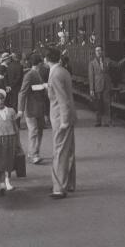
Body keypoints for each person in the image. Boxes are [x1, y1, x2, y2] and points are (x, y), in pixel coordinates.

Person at [45, 46, 76, 199]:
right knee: (68, 151)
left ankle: (58, 188)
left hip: (60, 117)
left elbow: (62, 99)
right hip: (67, 116)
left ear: (46, 60)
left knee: (60, 152)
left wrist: (64, 120)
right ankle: (69, 183)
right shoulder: (63, 71)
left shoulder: (55, 74)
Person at [88, 46, 125, 126]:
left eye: (99, 50)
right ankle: (98, 122)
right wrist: (91, 89)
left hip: (107, 85)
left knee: (107, 104)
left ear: (102, 51)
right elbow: (91, 77)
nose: (98, 52)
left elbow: (118, 64)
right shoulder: (92, 63)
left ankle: (107, 122)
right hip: (97, 86)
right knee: (98, 104)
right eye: (97, 50)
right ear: (95, 52)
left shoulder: (107, 60)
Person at [17, 53, 46, 164]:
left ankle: (33, 152)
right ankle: (34, 155)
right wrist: (20, 109)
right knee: (34, 131)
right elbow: (23, 92)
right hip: (31, 108)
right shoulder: (29, 75)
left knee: (39, 131)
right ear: (39, 63)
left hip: (39, 108)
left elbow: (32, 88)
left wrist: (43, 87)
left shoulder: (37, 73)